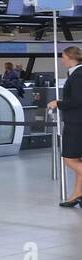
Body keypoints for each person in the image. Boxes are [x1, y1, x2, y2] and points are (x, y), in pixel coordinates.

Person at [48, 46, 82, 208]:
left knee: (69, 158)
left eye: (63, 57)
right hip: (78, 122)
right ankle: (77, 194)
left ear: (70, 57)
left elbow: (77, 100)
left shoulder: (77, 76)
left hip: (76, 124)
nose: (62, 60)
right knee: (79, 159)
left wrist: (58, 103)